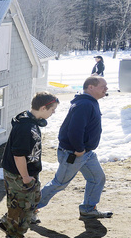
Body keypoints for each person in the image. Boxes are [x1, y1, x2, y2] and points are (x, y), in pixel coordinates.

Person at [35, 76, 112, 220]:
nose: (106, 89)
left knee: (97, 178)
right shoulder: (84, 104)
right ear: (91, 87)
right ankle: (29, 210)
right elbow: (74, 130)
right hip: (74, 153)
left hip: (86, 153)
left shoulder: (90, 102)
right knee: (59, 184)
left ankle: (88, 209)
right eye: (103, 86)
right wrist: (79, 149)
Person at [0, 92, 60, 238]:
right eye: (52, 110)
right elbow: (19, 156)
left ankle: (6, 223)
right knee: (23, 207)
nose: (53, 113)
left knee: (33, 199)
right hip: (20, 175)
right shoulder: (26, 127)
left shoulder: (31, 121)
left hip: (28, 173)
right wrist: (25, 177)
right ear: (43, 108)